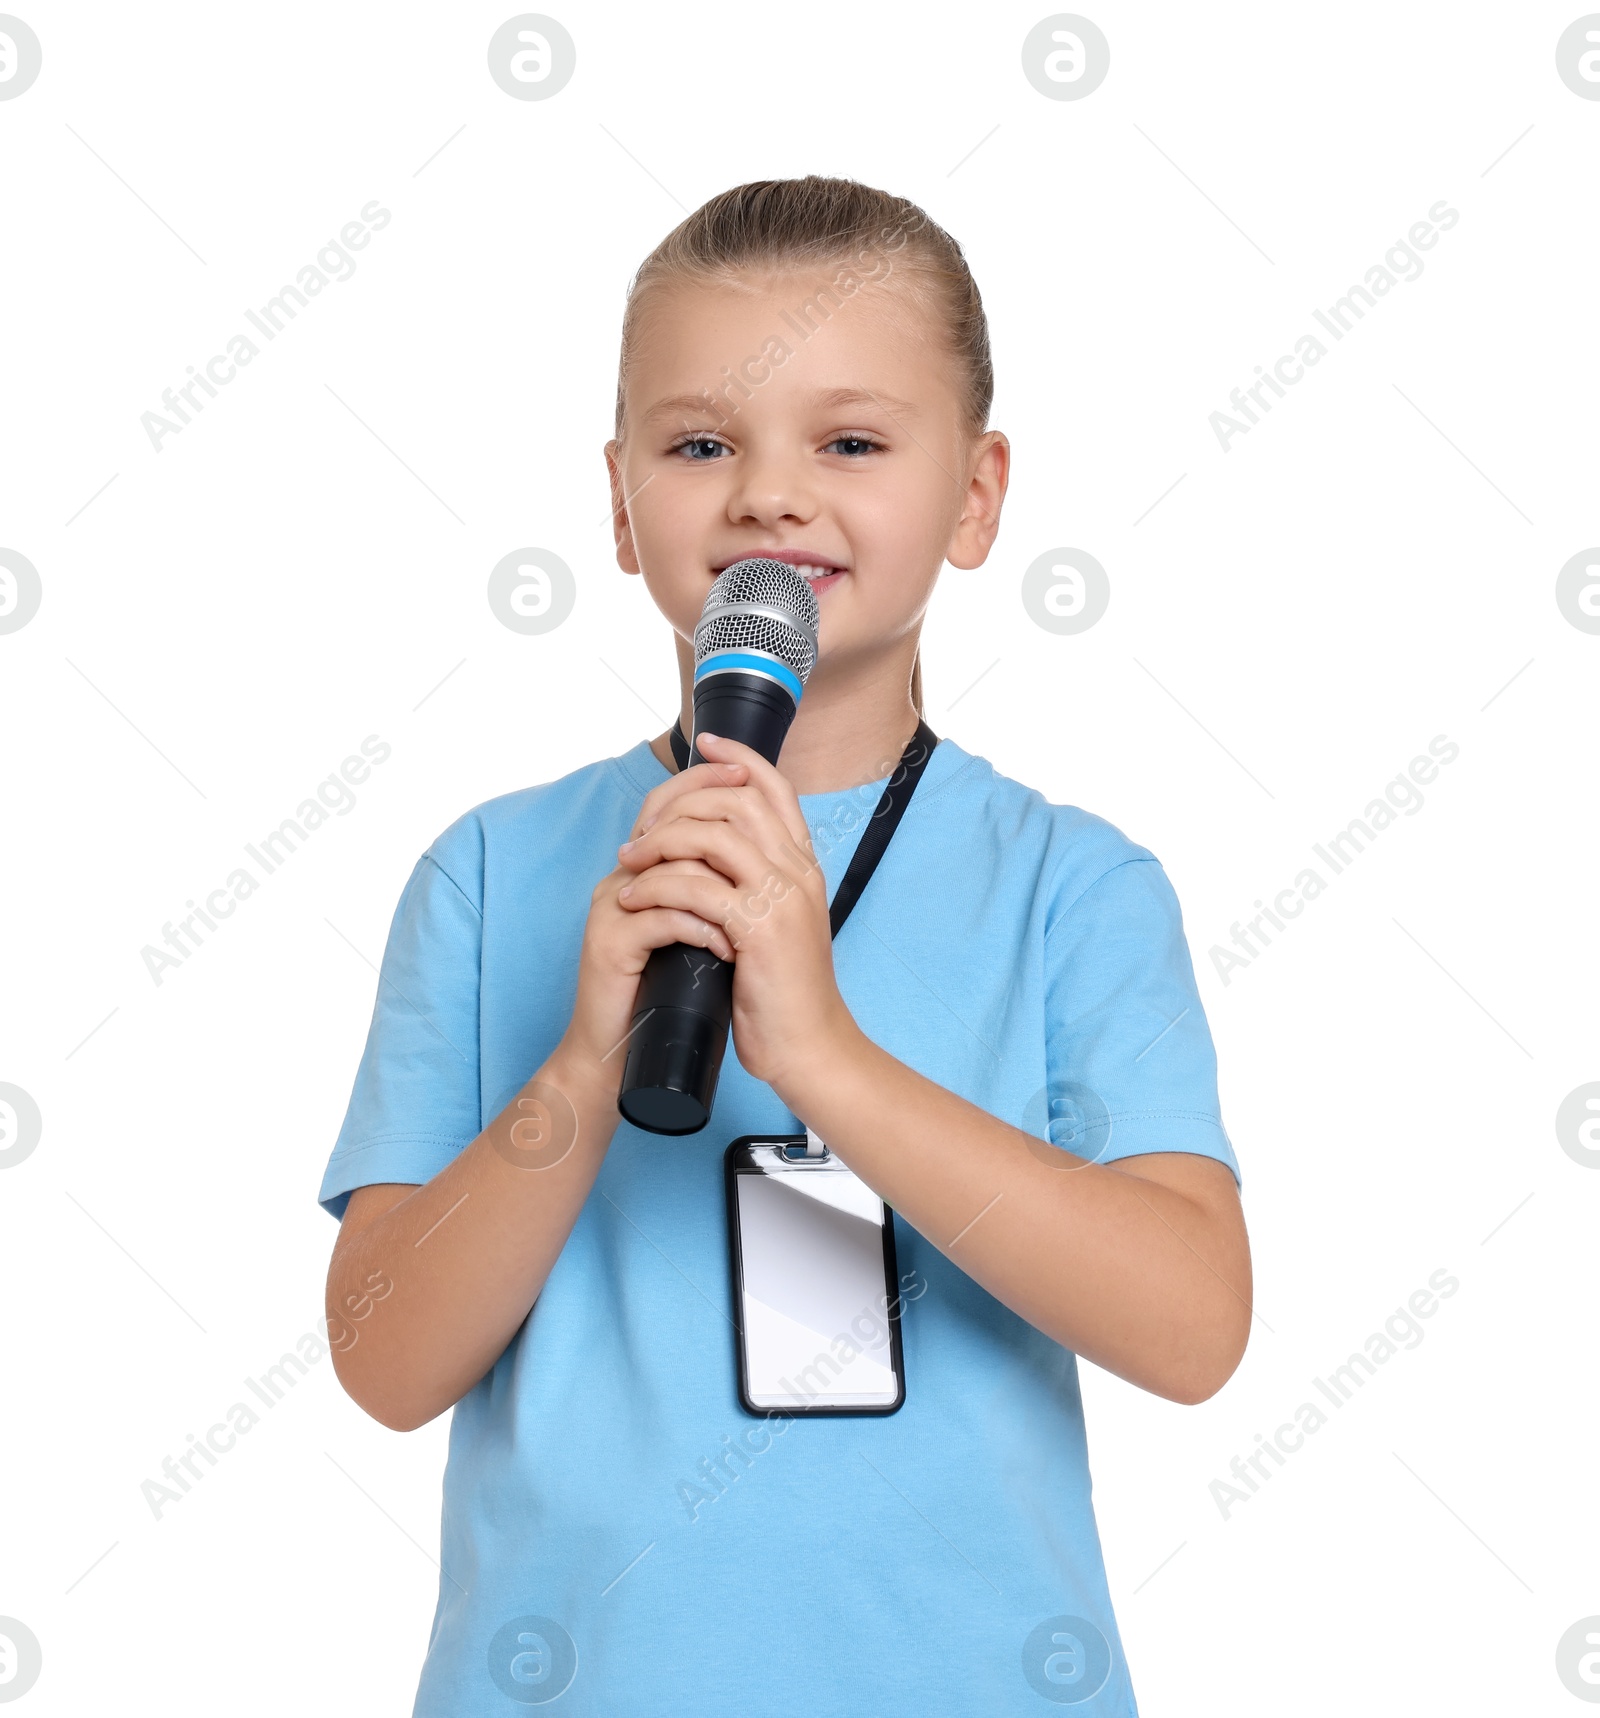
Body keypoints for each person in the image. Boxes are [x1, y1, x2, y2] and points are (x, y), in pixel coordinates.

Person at [319, 174, 1252, 1716]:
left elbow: (1195, 1324)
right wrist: (581, 1056)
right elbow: (384, 1360)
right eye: (701, 445)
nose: (768, 495)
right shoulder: (492, 871)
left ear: (976, 497)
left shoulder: (1075, 886)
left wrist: (823, 1056)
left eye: (852, 442)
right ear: (621, 504)